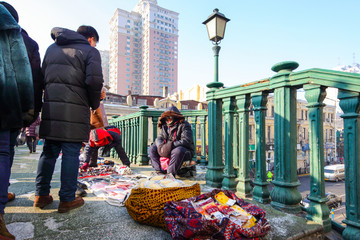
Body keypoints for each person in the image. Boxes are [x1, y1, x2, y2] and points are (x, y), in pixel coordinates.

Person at [34, 26, 103, 213]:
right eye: (95, 41)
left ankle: (41, 195)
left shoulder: (51, 48)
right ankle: (66, 198)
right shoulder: (90, 51)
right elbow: (94, 82)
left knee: (48, 151)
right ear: (90, 39)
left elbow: (41, 78)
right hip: (75, 109)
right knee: (71, 152)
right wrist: (94, 103)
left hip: (51, 107)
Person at [0, 3, 34, 239]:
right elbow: (22, 70)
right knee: (3, 152)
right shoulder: (10, 27)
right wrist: (27, 109)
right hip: (4, 96)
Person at [149, 106, 196, 176]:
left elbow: (186, 140)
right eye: (167, 118)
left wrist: (171, 146)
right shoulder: (164, 126)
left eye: (170, 117)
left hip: (184, 151)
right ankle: (159, 171)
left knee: (177, 151)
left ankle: (170, 174)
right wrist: (160, 147)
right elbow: (159, 138)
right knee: (152, 148)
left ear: (175, 117)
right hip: (167, 149)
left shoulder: (184, 125)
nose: (168, 120)